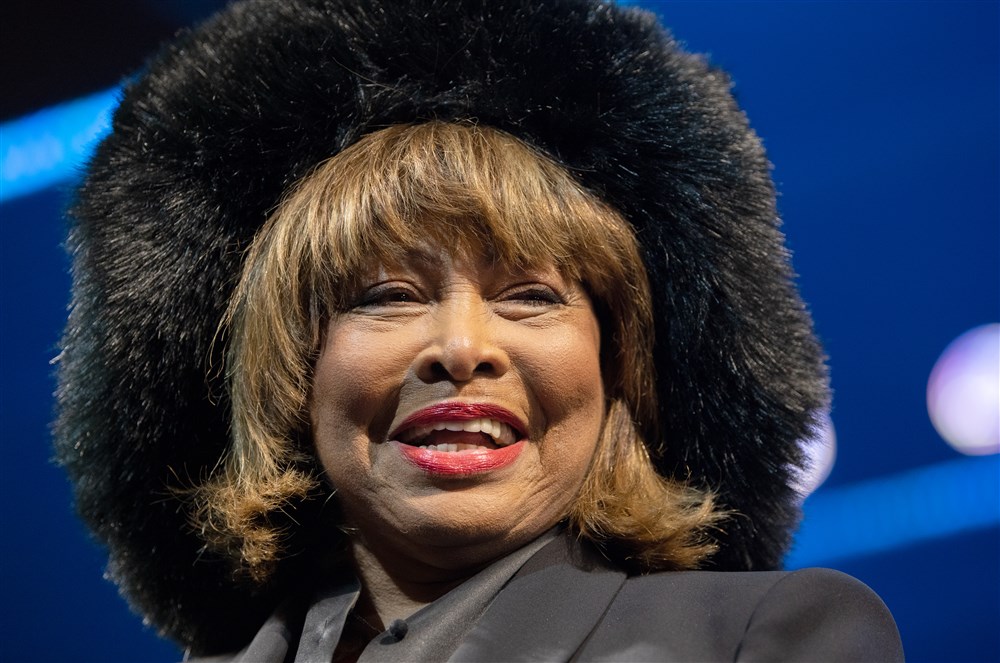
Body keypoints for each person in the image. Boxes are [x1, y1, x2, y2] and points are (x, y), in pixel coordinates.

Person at [55, 1, 903, 661]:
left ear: (619, 370)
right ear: (288, 373)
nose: (462, 347)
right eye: (386, 295)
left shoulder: (763, 639)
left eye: (531, 295)